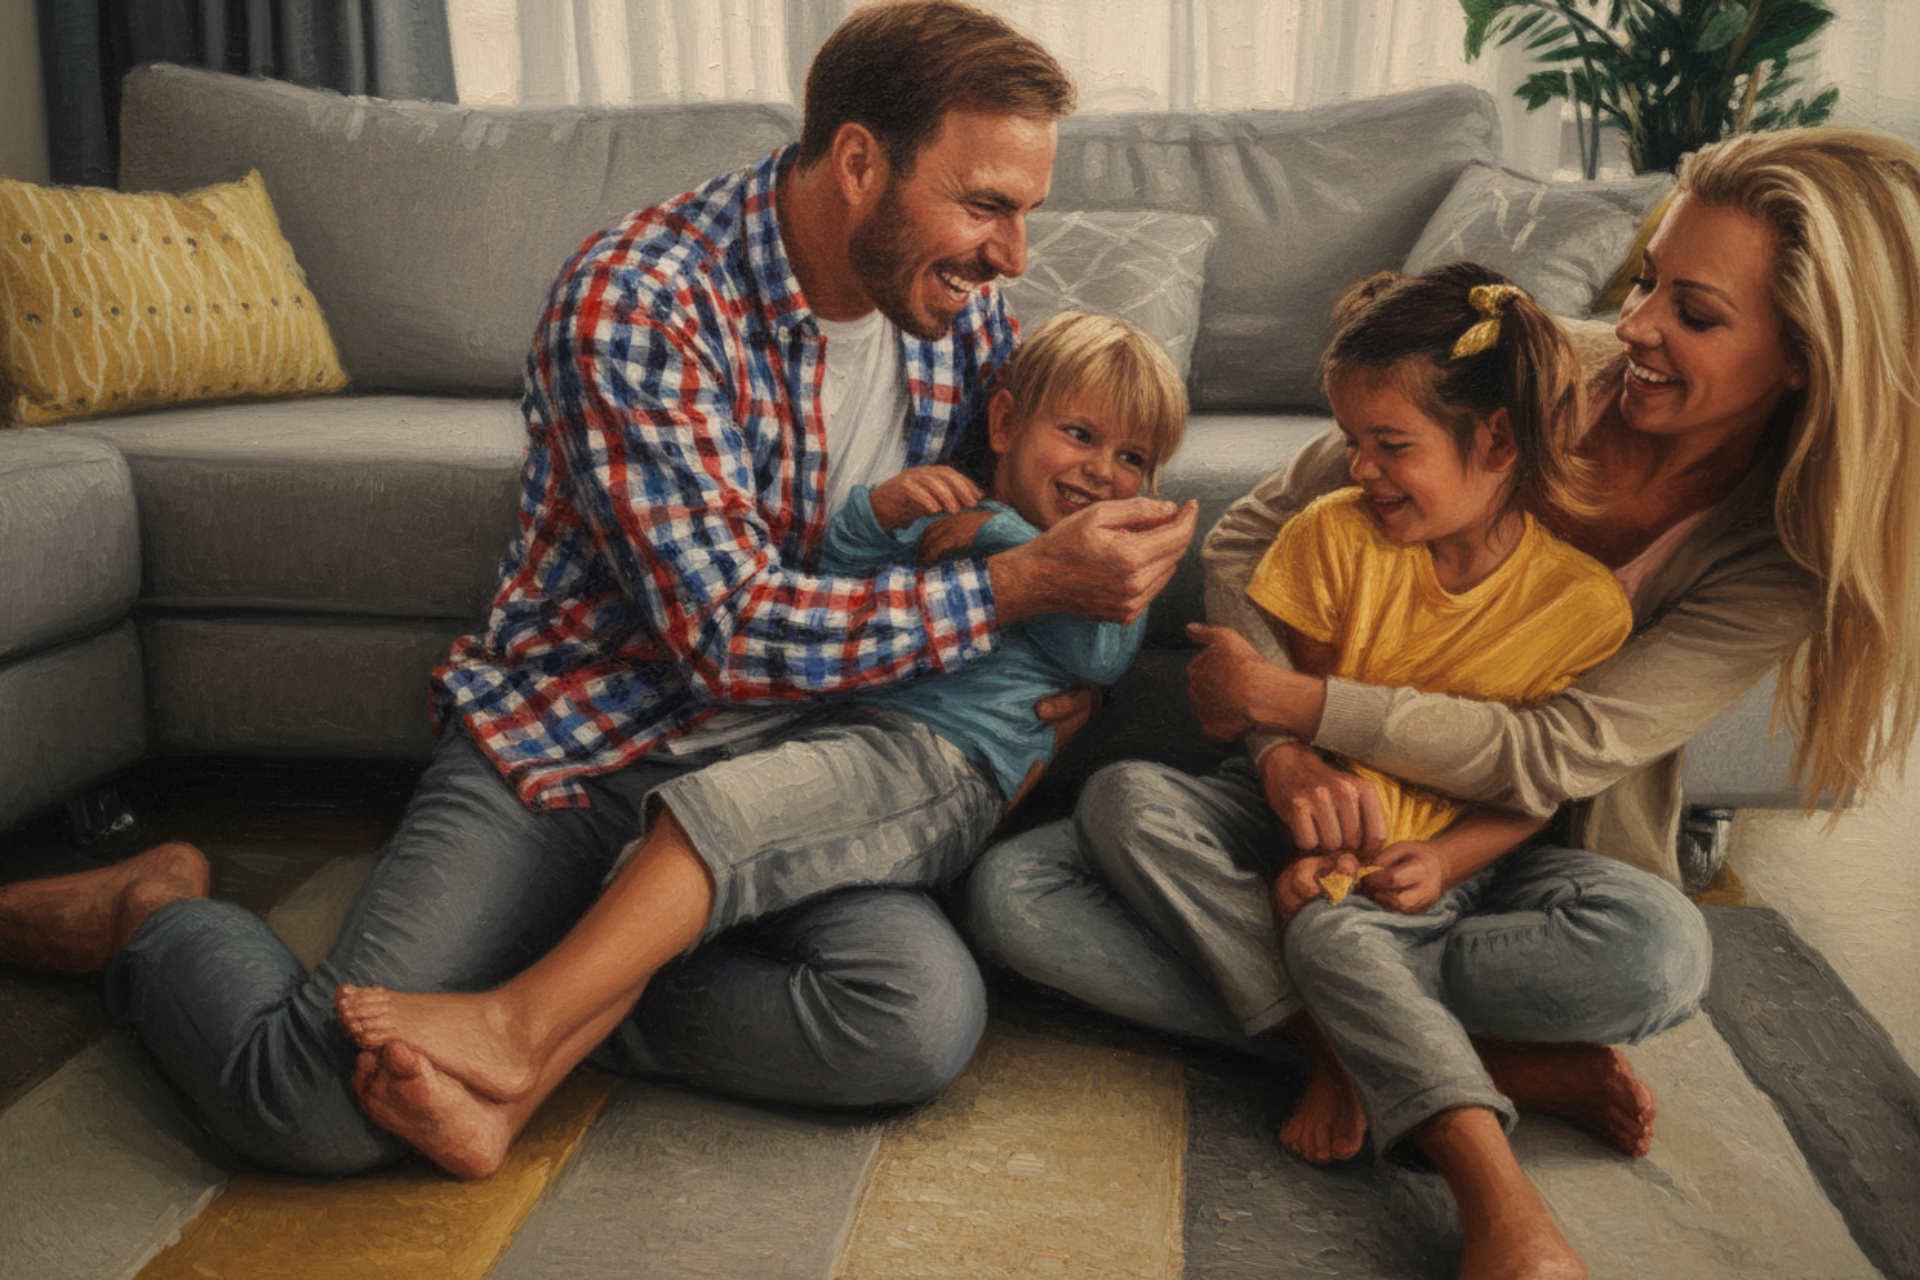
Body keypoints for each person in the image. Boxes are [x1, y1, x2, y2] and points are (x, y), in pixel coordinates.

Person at [0, 0, 1195, 1178]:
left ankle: (538, 1013)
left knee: (909, 1019)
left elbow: (1034, 513)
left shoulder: (965, 319)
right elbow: (727, 633)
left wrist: (1055, 662)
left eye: (1024, 212)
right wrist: (1020, 589)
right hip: (579, 744)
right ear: (858, 162)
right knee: (313, 1103)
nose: (1012, 256)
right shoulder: (641, 296)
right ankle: (154, 912)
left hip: (792, 769)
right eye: (986, 203)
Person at [967, 124, 1920, 1280]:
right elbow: (1262, 528)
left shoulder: (1779, 554)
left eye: (1697, 314)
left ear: (1807, 356)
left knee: (1661, 952)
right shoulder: (1515, 370)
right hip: (1321, 824)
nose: (1637, 329)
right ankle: (1472, 1059)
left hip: (1505, 849)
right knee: (1023, 890)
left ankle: (1350, 1026)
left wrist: (1313, 707)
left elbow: (1562, 750)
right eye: (1649, 283)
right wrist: (1280, 751)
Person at [330, 309, 1189, 1178]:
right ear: (1005, 423)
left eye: (1133, 460)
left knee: (719, 823)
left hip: (934, 768)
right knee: (685, 859)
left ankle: (514, 1020)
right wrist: (878, 515)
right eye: (1080, 435)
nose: (1101, 472)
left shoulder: (1097, 555)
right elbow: (839, 582)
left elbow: (1105, 648)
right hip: (851, 740)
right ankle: (507, 1105)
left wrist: (1012, 542)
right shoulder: (956, 510)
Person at [1240, 263, 1634, 1179]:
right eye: (1350, 439)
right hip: (1322, 847)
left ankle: (1366, 1040)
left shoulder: (1582, 606)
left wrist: (1447, 861)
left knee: (1657, 949)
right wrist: (1310, 830)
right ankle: (1442, 1055)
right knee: (1108, 814)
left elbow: (1541, 785)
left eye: (1388, 442)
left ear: (1498, 439)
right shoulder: (1333, 536)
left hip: (1455, 873)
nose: (1357, 466)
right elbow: (1316, 744)